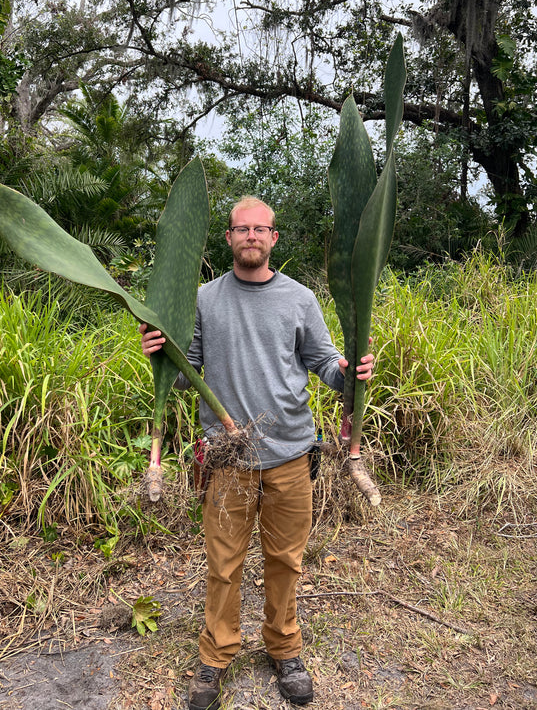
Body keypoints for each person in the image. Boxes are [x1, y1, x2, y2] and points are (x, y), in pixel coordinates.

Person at [140, 196, 374, 710]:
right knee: (223, 563)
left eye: (259, 228)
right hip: (229, 459)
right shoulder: (204, 299)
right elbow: (188, 375)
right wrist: (162, 356)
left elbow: (325, 367)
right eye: (240, 229)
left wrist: (350, 370)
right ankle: (216, 655)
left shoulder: (299, 298)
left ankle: (284, 647)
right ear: (228, 238)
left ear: (272, 237)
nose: (250, 236)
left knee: (285, 560)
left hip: (292, 453)